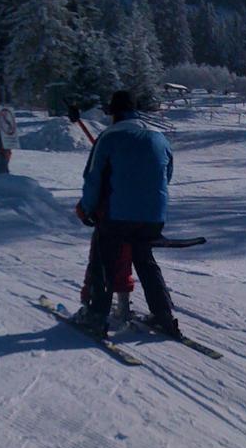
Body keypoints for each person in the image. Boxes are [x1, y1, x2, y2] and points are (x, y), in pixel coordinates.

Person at [74, 90, 180, 339]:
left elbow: (93, 178)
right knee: (145, 260)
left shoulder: (109, 136)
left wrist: (86, 209)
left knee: (104, 261)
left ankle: (96, 316)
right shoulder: (159, 137)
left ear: (114, 113)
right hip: (153, 216)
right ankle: (164, 316)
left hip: (118, 214)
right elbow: (167, 176)